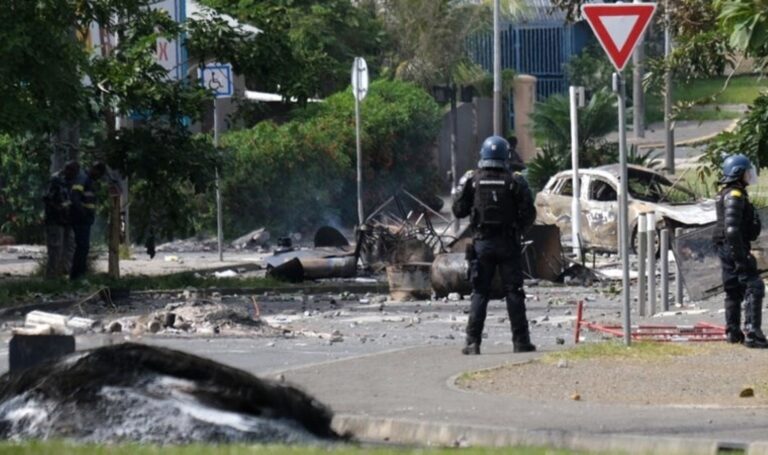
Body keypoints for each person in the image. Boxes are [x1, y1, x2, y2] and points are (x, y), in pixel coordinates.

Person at [452, 136, 537, 355]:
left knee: (480, 292)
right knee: (514, 292)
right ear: (506, 155)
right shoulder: (515, 180)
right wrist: (517, 227)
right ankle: (521, 342)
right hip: (508, 243)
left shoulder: (472, 180)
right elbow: (529, 214)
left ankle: (472, 343)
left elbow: (458, 210)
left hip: (483, 244)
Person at [713, 154, 767, 349]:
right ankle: (753, 333)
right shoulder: (734, 195)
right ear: (738, 173)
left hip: (727, 247)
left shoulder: (728, 193)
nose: (749, 175)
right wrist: (741, 256)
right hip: (733, 246)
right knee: (754, 286)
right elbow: (732, 229)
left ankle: (734, 332)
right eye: (746, 172)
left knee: (734, 290)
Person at [69, 161, 106, 280]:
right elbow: (74, 197)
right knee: (82, 246)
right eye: (98, 173)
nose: (98, 177)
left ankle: (80, 274)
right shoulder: (82, 178)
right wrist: (83, 213)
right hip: (80, 219)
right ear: (94, 169)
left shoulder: (90, 181)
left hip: (85, 220)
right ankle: (76, 275)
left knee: (83, 247)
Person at [43, 161, 80, 278]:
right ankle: (51, 277)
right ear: (67, 170)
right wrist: (59, 208)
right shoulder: (55, 180)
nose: (74, 175)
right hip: (55, 221)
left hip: (67, 221)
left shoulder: (72, 181)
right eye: (73, 172)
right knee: (55, 249)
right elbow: (47, 199)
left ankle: (65, 274)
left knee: (70, 247)